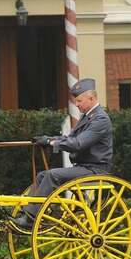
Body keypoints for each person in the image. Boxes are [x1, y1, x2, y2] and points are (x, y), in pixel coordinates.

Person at [10, 78, 113, 230]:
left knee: (52, 175)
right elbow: (70, 138)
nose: (76, 105)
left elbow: (78, 144)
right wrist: (48, 139)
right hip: (84, 167)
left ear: (92, 98)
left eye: (79, 101)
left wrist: (52, 144)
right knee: (42, 176)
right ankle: (27, 212)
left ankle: (32, 219)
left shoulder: (101, 119)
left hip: (95, 169)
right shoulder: (88, 117)